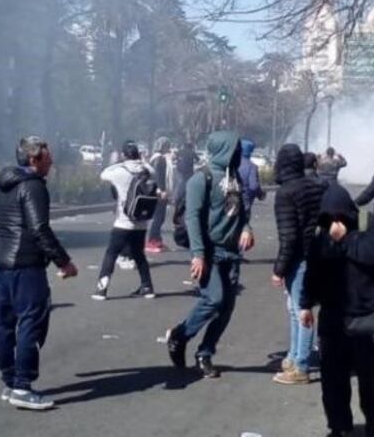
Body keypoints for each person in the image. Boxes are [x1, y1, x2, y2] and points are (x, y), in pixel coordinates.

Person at [0, 136, 78, 411]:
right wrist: (63, 262)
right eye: (48, 156)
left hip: (3, 266)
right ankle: (22, 386)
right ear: (33, 159)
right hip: (26, 266)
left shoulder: (0, 184)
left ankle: (10, 382)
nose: (52, 161)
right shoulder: (33, 186)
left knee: (4, 324)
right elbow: (39, 229)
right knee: (31, 323)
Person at [300, 184, 374, 437]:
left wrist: (346, 238)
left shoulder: (365, 222)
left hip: (369, 315)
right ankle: (339, 426)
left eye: (340, 216)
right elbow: (313, 269)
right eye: (331, 217)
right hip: (334, 317)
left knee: (372, 379)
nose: (336, 221)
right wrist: (305, 304)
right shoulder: (324, 230)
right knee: (333, 380)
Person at [165, 131, 254, 379]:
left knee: (226, 307)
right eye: (234, 149)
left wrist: (246, 229)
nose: (238, 154)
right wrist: (198, 254)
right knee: (214, 299)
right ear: (224, 150)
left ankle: (205, 353)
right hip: (209, 251)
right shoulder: (200, 179)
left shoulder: (233, 177)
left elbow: (241, 212)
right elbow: (192, 218)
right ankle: (180, 335)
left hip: (231, 252)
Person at [271, 143, 327, 385]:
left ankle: (301, 365)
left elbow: (288, 236)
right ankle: (294, 357)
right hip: (316, 254)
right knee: (298, 310)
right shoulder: (315, 185)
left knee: (300, 312)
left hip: (298, 258)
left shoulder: (285, 193)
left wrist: (278, 269)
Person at [94, 141, 164, 300]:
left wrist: (118, 162)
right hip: (141, 222)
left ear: (124, 155)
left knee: (111, 253)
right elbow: (152, 170)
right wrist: (141, 161)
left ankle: (102, 289)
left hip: (123, 222)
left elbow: (103, 174)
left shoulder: (119, 171)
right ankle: (147, 287)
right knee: (139, 255)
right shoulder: (147, 170)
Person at [145, 137, 172, 253]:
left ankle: (157, 239)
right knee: (158, 217)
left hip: (158, 191)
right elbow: (159, 176)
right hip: (159, 192)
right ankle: (152, 240)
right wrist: (162, 190)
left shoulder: (157, 158)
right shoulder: (159, 159)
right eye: (167, 146)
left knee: (160, 217)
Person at [238, 138, 266, 217]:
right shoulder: (252, 167)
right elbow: (254, 186)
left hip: (229, 202)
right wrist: (260, 194)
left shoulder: (231, 164)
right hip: (244, 201)